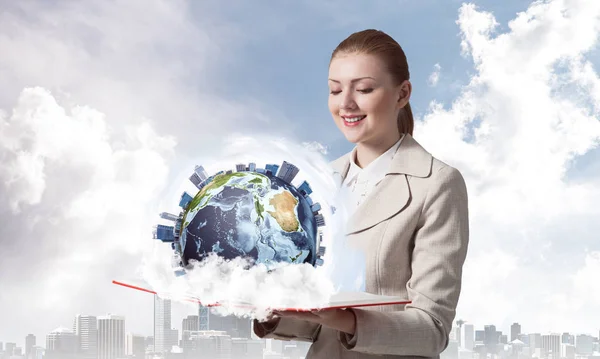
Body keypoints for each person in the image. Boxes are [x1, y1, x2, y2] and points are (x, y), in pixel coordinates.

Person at [253, 29, 470, 359]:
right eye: (335, 90)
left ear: (402, 94)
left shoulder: (437, 183)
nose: (345, 104)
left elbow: (433, 329)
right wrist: (272, 309)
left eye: (364, 89)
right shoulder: (317, 183)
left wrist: (348, 320)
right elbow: (318, 323)